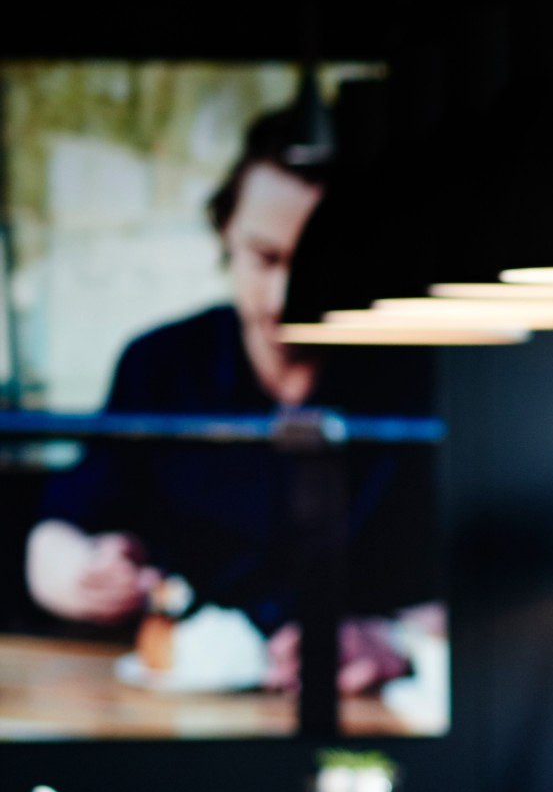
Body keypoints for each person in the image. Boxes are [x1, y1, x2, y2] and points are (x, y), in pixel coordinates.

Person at [22, 106, 440, 696]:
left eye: (319, 267)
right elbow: (60, 530)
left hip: (366, 715)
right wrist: (76, 572)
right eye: (265, 258)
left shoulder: (421, 377)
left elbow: (485, 588)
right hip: (179, 714)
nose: (283, 298)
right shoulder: (160, 366)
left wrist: (393, 640)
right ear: (226, 232)